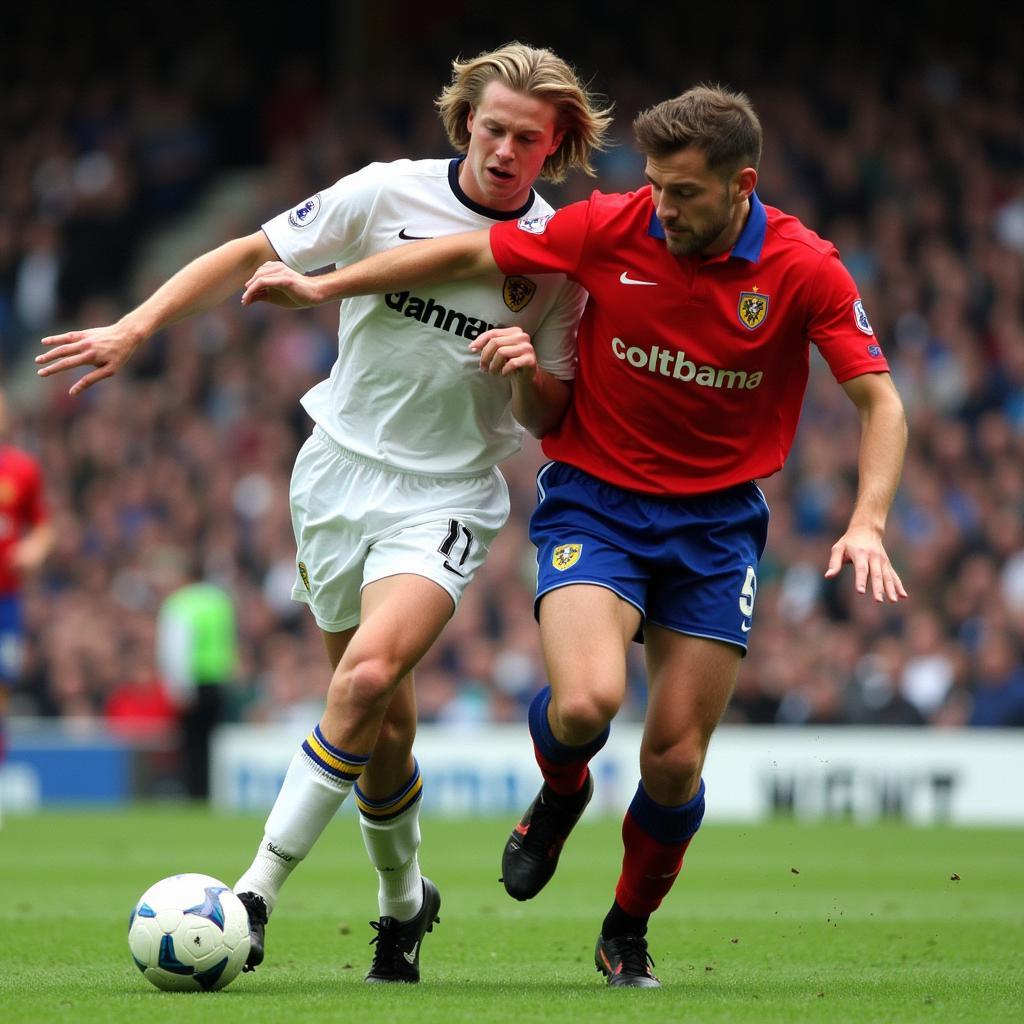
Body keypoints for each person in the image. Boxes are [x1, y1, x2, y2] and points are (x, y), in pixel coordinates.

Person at [231, 83, 909, 988]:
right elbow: (467, 249)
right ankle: (561, 790)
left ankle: (624, 928)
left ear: (742, 185)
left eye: (686, 194)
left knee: (671, 761)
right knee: (586, 705)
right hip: (597, 502)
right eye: (657, 186)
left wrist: (868, 521)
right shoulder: (610, 224)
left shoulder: (805, 267)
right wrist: (323, 286)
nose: (662, 208)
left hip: (716, 524)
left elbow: (881, 399)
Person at [37, 43, 611, 982]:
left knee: (364, 679)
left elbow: (551, 414)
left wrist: (526, 374)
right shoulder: (385, 194)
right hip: (338, 477)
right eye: (495, 127)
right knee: (381, 724)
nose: (508, 148)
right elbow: (246, 252)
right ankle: (403, 903)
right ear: (467, 120)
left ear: (554, 149)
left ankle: (252, 896)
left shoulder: (553, 258)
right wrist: (137, 326)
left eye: (530, 138)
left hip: (449, 493)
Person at [0, 387, 54, 820]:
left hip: (6, 601)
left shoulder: (21, 469)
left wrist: (35, 548)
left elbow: (43, 527)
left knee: (2, 688)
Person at [155, 559, 239, 799]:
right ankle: (214, 795)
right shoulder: (219, 601)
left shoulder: (180, 604)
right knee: (213, 744)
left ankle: (196, 795)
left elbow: (175, 650)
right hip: (219, 681)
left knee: (193, 746)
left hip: (194, 681)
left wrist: (179, 688)